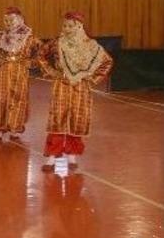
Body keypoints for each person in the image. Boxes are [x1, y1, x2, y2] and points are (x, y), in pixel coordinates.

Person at [37, 12, 113, 172]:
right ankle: (52, 156)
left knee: (77, 119)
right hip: (61, 84)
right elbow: (41, 55)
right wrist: (50, 71)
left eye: (71, 26)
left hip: (81, 87)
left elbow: (107, 61)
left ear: (79, 26)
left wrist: (93, 78)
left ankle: (72, 155)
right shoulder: (56, 43)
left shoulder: (91, 45)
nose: (67, 29)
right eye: (64, 25)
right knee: (58, 119)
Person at [0, 7, 40, 143]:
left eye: (11, 20)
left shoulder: (28, 36)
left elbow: (40, 53)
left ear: (20, 19)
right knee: (0, 98)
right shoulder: (1, 36)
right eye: (6, 20)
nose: (8, 23)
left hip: (19, 72)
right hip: (2, 72)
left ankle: (14, 128)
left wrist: (30, 63)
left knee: (17, 98)